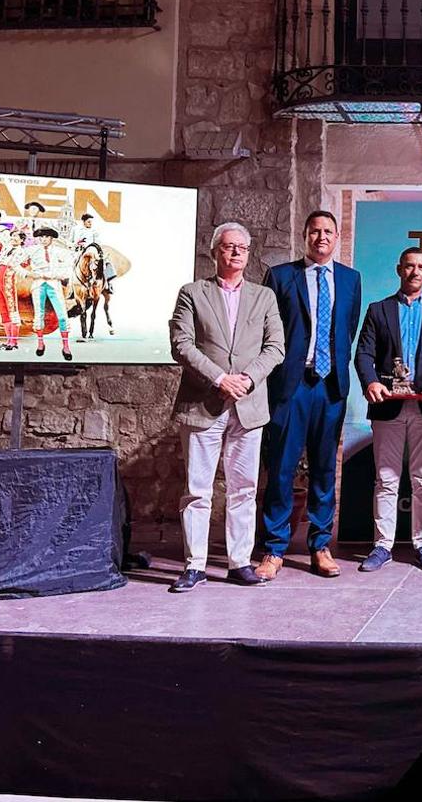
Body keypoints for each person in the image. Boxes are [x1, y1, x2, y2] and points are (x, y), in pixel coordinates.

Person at [167, 222, 285, 592]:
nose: (236, 253)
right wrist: (220, 379)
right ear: (215, 251)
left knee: (244, 489)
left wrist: (247, 379)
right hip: (204, 403)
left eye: (242, 248)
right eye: (229, 246)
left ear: (249, 254)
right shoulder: (192, 293)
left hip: (248, 407)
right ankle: (194, 565)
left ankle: (239, 563)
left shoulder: (264, 296)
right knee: (198, 490)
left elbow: (275, 347)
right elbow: (181, 344)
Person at [257, 210, 362, 580]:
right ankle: (273, 549)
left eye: (328, 232)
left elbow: (347, 332)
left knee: (323, 470)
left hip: (330, 387)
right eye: (315, 231)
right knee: (282, 469)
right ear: (304, 236)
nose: (322, 237)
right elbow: (267, 329)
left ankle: (320, 545)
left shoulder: (351, 279)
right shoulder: (281, 276)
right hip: (291, 386)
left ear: (336, 238)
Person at [354, 247, 422, 573]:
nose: (415, 272)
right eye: (409, 266)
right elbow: (363, 354)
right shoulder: (378, 310)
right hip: (387, 408)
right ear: (399, 269)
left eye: (421, 266)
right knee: (386, 479)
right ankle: (382, 545)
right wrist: (370, 382)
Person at [22, 227, 74, 361]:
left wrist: (55, 274)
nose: (44, 239)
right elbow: (15, 263)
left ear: (51, 238)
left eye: (46, 237)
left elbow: (69, 267)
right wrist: (28, 273)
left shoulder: (59, 252)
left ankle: (66, 346)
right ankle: (40, 343)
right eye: (42, 237)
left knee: (62, 315)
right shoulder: (32, 250)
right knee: (39, 314)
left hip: (53, 284)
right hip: (38, 284)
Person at [0, 229, 28, 351]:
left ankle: (14, 341)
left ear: (22, 240)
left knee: (12, 310)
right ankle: (8, 340)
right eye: (12, 236)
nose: (13, 238)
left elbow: (20, 266)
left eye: (16, 236)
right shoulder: (6, 249)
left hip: (8, 281)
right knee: (3, 310)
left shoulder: (23, 252)